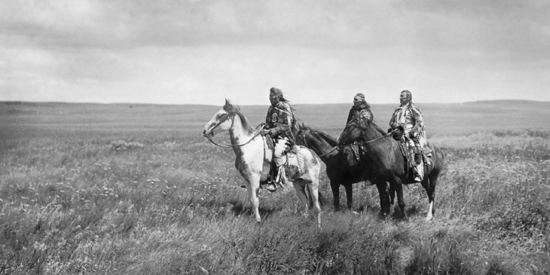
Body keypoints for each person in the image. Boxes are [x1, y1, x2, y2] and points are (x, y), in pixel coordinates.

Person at [260, 87, 296, 191]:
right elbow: (268, 123)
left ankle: (278, 180)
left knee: (277, 153)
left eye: (272, 97)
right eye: (269, 97)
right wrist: (264, 129)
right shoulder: (271, 108)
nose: (270, 99)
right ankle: (262, 179)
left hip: (284, 136)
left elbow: (286, 125)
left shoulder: (284, 107)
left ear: (278, 96)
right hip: (271, 136)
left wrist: (271, 131)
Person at [389, 90, 427, 182]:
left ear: (408, 98)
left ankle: (418, 172)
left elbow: (419, 122)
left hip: (409, 133)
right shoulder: (398, 109)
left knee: (412, 146)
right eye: (400, 96)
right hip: (397, 132)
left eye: (403, 96)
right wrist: (395, 126)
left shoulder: (413, 108)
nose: (400, 98)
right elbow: (391, 122)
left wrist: (411, 132)